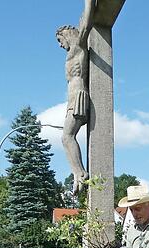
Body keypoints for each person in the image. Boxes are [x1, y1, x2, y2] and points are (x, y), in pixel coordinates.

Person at [56, 0, 96, 194]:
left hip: (79, 95)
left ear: (65, 34)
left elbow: (87, 20)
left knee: (66, 136)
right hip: (73, 98)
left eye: (59, 40)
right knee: (66, 136)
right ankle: (78, 173)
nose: (59, 44)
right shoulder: (72, 51)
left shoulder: (78, 43)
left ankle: (79, 173)